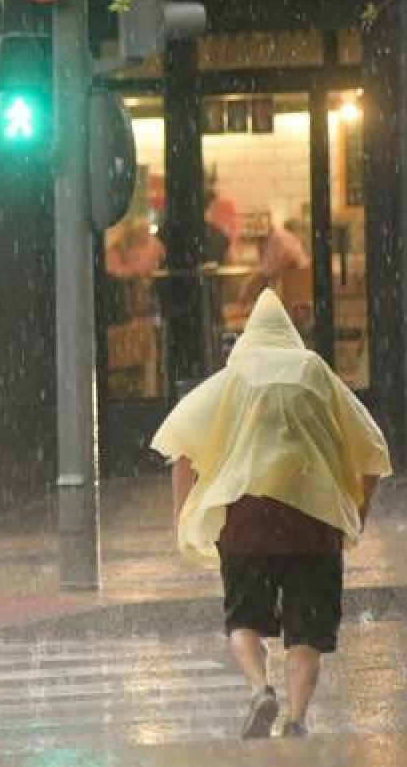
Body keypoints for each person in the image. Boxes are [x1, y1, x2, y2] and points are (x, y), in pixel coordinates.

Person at [150, 290, 391, 739]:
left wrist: (183, 515)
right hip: (313, 521)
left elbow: (179, 444)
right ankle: (296, 719)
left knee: (242, 618)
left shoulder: (235, 376)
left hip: (248, 518)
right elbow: (373, 449)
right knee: (307, 632)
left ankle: (261, 688)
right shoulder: (314, 372)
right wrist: (357, 512)